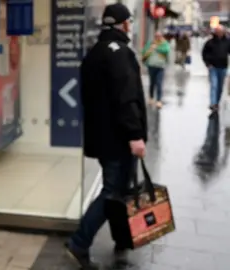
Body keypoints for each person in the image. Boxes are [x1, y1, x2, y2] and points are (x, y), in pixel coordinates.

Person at [65, 3, 148, 269]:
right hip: (119, 139)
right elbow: (126, 99)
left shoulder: (94, 53)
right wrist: (135, 136)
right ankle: (79, 243)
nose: (131, 26)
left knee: (119, 189)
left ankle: (121, 238)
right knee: (112, 191)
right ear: (124, 24)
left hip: (101, 138)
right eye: (130, 22)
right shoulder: (119, 53)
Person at [202, 25, 230, 112]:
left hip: (223, 67)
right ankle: (213, 103)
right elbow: (204, 53)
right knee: (214, 85)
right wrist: (208, 64)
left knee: (220, 86)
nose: (219, 33)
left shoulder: (227, 42)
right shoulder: (210, 42)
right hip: (213, 67)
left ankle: (217, 102)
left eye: (221, 31)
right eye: (218, 31)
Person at [142, 31, 171, 109]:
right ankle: (151, 98)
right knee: (152, 83)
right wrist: (145, 60)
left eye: (159, 36)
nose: (157, 37)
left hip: (160, 67)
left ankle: (158, 100)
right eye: (156, 36)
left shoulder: (164, 44)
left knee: (159, 83)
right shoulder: (150, 43)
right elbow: (144, 51)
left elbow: (166, 50)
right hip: (151, 66)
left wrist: (157, 48)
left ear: (161, 36)